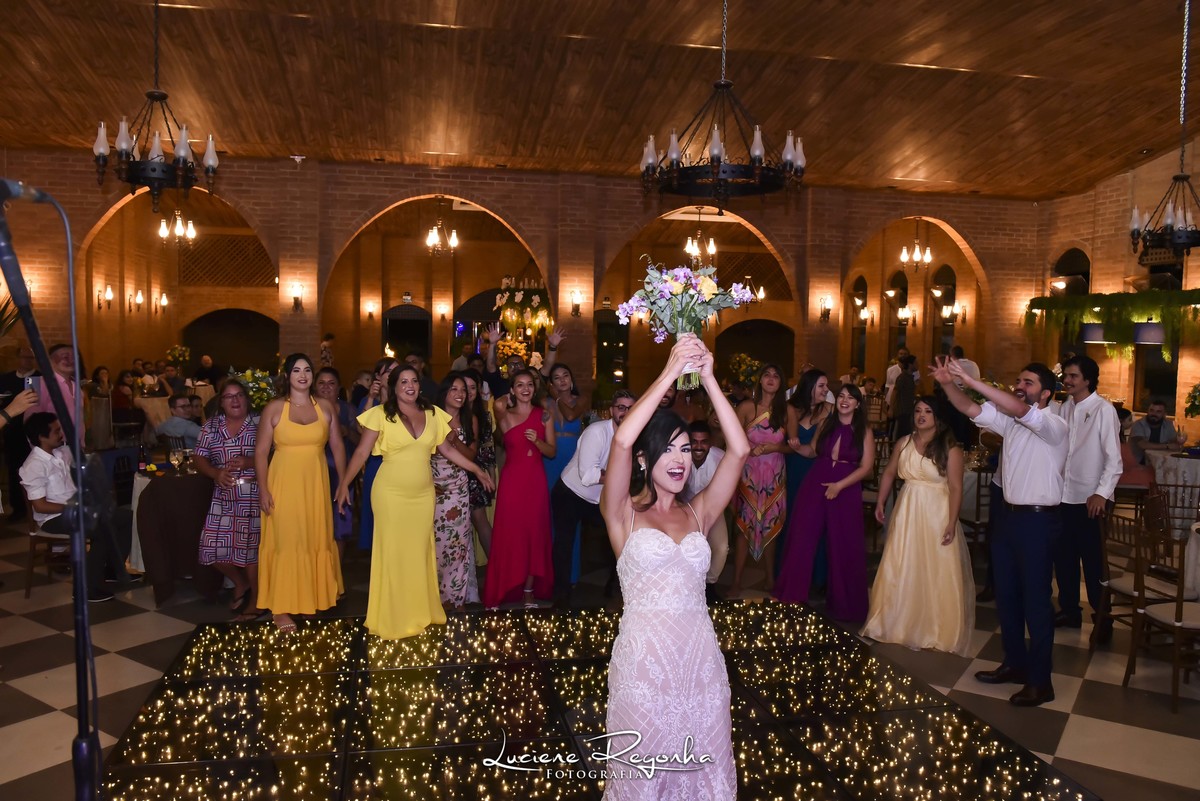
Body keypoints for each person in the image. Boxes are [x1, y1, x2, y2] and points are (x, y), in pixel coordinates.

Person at [599, 334, 747, 799]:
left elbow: (740, 451)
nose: (680, 459)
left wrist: (707, 379)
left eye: (686, 449)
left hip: (700, 661)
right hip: (644, 664)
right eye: (668, 449)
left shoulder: (699, 511)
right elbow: (622, 439)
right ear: (646, 459)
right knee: (641, 773)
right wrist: (668, 372)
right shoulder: (623, 512)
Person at [933, 356, 1067, 707]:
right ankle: (1015, 663)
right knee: (1006, 596)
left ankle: (1041, 681)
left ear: (1046, 395)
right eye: (1018, 381)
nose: (1020, 387)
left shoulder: (1054, 426)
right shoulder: (1013, 425)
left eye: (1029, 383)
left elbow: (1016, 409)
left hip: (1038, 522)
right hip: (1008, 518)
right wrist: (949, 383)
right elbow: (969, 409)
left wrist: (974, 381)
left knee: (1036, 602)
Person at [336, 365, 491, 639]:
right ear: (394, 387)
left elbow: (446, 449)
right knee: (394, 553)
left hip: (423, 495)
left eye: (414, 381)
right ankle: (393, 615)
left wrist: (476, 469)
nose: (410, 386)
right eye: (403, 381)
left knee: (419, 552)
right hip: (390, 494)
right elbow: (361, 452)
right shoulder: (381, 414)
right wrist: (345, 484)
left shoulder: (433, 414)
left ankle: (419, 611)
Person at [861, 397, 975, 654]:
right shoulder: (903, 442)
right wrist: (880, 501)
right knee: (902, 562)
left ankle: (933, 626)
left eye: (928, 411)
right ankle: (896, 621)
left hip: (937, 513)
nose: (921, 415)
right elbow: (889, 471)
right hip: (908, 509)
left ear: (938, 417)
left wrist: (952, 521)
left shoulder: (951, 448)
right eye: (917, 411)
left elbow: (956, 488)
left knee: (934, 566)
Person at [255, 353, 346, 633]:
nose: (303, 375)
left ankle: (311, 598)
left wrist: (343, 484)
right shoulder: (274, 409)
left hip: (316, 486)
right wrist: (263, 489)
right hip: (282, 484)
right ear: (287, 376)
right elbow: (260, 452)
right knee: (287, 541)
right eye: (296, 370)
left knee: (313, 538)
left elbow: (339, 448)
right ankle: (280, 609)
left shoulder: (326, 407)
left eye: (307, 370)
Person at [774, 384, 876, 620]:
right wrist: (796, 446)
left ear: (858, 404)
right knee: (802, 536)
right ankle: (791, 594)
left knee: (843, 543)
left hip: (846, 487)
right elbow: (812, 452)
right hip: (817, 481)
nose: (844, 400)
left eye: (850, 398)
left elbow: (867, 467)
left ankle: (846, 605)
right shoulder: (825, 424)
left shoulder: (865, 431)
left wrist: (840, 486)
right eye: (841, 396)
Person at [21, 412, 133, 603]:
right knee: (101, 529)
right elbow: (40, 506)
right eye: (56, 431)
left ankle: (111, 569)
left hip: (76, 509)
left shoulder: (60, 453)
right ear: (41, 436)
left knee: (125, 517)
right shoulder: (34, 465)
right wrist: (74, 508)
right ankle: (87, 588)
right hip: (53, 518)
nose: (61, 434)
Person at [1053, 355, 1122, 634]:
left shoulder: (1103, 410)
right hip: (1063, 497)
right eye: (1066, 376)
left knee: (1093, 562)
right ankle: (1070, 611)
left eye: (1073, 377)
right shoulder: (1064, 408)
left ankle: (1103, 617)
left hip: (1091, 500)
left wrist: (1101, 494)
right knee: (1065, 558)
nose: (1067, 381)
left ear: (1088, 380)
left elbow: (1114, 460)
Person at [550, 390, 636, 606]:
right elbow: (588, 476)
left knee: (622, 538)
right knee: (564, 544)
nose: (625, 412)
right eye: (621, 407)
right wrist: (624, 476)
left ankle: (615, 589)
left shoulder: (638, 436)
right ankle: (560, 596)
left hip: (601, 498)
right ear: (611, 411)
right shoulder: (596, 432)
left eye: (631, 408)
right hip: (570, 492)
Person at [483, 369, 556, 608]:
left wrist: (537, 441)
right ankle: (502, 587)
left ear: (535, 389)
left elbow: (552, 452)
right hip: (512, 482)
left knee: (534, 535)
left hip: (535, 482)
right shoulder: (504, 414)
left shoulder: (545, 415)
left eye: (530, 385)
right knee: (509, 536)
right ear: (513, 390)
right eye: (520, 385)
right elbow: (499, 401)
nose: (526, 389)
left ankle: (528, 591)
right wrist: (508, 393)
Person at [193, 378, 262, 620]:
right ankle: (240, 584)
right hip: (223, 496)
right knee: (210, 548)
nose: (235, 400)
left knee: (252, 553)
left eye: (239, 395)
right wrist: (215, 473)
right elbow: (199, 457)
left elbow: (277, 454)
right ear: (220, 402)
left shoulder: (260, 423)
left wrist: (250, 461)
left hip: (253, 495)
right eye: (229, 396)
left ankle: (256, 601)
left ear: (246, 399)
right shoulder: (211, 426)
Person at [730, 364, 789, 596]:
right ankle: (736, 581)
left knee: (771, 527)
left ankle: (770, 579)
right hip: (748, 474)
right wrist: (747, 449)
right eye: (767, 374)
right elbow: (731, 437)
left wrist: (776, 446)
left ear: (781, 382)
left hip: (774, 475)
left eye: (776, 375)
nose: (771, 379)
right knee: (743, 528)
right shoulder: (747, 407)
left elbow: (793, 446)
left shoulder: (787, 411)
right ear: (760, 380)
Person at [432, 373, 481, 609]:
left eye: (463, 390)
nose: (460, 394)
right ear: (444, 393)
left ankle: (457, 597)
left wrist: (454, 441)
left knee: (459, 545)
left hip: (459, 490)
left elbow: (472, 455)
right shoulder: (431, 417)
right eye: (454, 389)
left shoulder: (470, 420)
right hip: (434, 489)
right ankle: (438, 597)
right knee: (437, 545)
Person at [542, 363, 589, 584]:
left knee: (571, 514)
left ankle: (570, 575)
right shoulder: (545, 403)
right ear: (551, 382)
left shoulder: (580, 400)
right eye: (556, 377)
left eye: (565, 376)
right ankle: (549, 575)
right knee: (548, 515)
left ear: (571, 379)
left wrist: (557, 398)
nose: (562, 381)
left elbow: (571, 417)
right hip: (550, 459)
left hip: (571, 458)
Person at [681, 419, 728, 604]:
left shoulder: (720, 457)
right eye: (694, 441)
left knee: (721, 548)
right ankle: (687, 587)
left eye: (704, 441)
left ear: (710, 442)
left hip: (713, 508)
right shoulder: (678, 456)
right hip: (683, 510)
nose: (699, 446)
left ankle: (710, 585)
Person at [356, 357, 399, 550]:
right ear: (378, 377)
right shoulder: (368, 402)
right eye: (389, 372)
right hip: (376, 464)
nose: (393, 376)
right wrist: (372, 398)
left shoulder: (404, 401)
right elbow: (360, 430)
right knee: (377, 516)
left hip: (399, 465)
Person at [316, 367, 359, 556]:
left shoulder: (348, 409)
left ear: (338, 387)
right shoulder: (309, 409)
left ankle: (336, 576)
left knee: (339, 526)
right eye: (322, 383)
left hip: (342, 472)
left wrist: (347, 432)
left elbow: (361, 441)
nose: (326, 387)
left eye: (331, 383)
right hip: (316, 472)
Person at [0, 346, 39, 521]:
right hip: (11, 431)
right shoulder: (6, 379)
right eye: (24, 357)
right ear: (18, 358)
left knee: (35, 470)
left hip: (34, 432)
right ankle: (18, 508)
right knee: (14, 470)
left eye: (30, 358)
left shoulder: (40, 377)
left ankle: (36, 508)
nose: (27, 361)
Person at [461, 369, 496, 553]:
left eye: (473, 387)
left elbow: (489, 449)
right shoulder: (449, 414)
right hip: (453, 473)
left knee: (481, 522)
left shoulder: (484, 416)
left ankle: (497, 571)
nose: (469, 391)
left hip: (476, 475)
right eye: (465, 387)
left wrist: (491, 476)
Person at [28, 344, 84, 440]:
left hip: (76, 449)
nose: (71, 360)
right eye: (65, 357)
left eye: (75, 356)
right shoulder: (36, 384)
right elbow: (30, 422)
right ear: (50, 361)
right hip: (54, 449)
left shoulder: (76, 386)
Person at [1129, 399, 1183, 463]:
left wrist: (1179, 441)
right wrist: (1167, 446)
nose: (1154, 414)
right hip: (1139, 462)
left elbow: (1174, 442)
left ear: (1164, 414)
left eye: (1158, 412)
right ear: (1147, 411)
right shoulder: (1138, 424)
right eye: (1151, 410)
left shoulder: (1168, 424)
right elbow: (1143, 445)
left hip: (1162, 460)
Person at [891, 354, 918, 440]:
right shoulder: (902, 378)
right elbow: (895, 392)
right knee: (902, 436)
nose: (918, 365)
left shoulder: (911, 378)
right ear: (910, 364)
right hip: (903, 411)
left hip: (909, 410)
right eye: (916, 363)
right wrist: (891, 408)